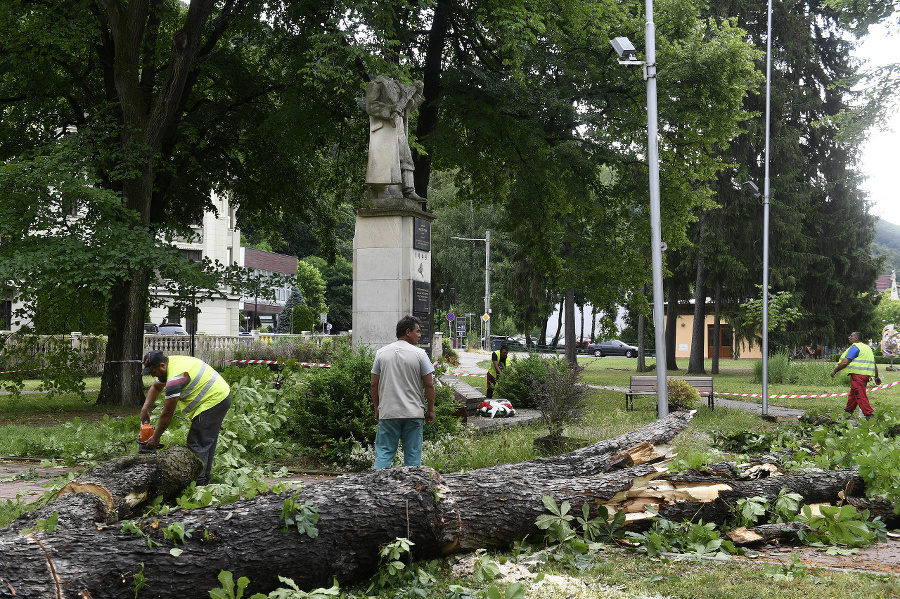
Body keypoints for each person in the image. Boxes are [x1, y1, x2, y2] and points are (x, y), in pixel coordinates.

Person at [139, 351, 232, 485]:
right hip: (218, 396)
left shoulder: (175, 378)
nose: (152, 375)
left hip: (214, 400)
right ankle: (204, 479)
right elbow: (155, 387)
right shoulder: (170, 365)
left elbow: (167, 413)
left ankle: (198, 485)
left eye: (153, 371)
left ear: (162, 366)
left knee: (197, 442)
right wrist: (144, 409)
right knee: (206, 441)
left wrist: (156, 437)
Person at [370, 315, 436, 468]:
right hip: (413, 414)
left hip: (388, 413)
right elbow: (429, 385)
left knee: (384, 454)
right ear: (408, 331)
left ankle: (378, 488)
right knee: (413, 457)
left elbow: (374, 384)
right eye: (417, 331)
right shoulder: (420, 355)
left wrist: (377, 407)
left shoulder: (381, 353)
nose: (419, 335)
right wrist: (431, 410)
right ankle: (412, 489)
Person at [365, 76, 426, 202]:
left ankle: (408, 189)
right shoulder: (376, 84)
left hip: (399, 125)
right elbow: (370, 106)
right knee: (385, 160)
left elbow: (409, 106)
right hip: (384, 128)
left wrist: (418, 93)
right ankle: (382, 189)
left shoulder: (399, 87)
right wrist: (391, 108)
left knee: (406, 157)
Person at [831, 331, 881, 420]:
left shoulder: (855, 347)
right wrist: (876, 376)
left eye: (851, 336)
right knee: (853, 395)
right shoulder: (867, 348)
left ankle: (869, 415)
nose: (849, 337)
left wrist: (835, 371)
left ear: (856, 338)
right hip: (865, 376)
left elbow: (845, 362)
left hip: (858, 376)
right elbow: (874, 363)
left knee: (860, 395)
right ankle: (847, 414)